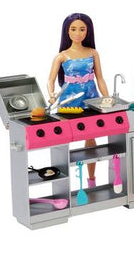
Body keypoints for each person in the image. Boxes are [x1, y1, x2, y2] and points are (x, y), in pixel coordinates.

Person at [47, 13, 109, 187]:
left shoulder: (92, 53)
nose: (77, 33)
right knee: (63, 138)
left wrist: (107, 98)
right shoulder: (62, 56)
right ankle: (61, 182)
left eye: (82, 29)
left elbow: (100, 78)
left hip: (91, 99)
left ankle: (91, 180)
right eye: (73, 29)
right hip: (69, 101)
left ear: (87, 31)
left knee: (91, 137)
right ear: (67, 31)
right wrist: (52, 95)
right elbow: (51, 80)